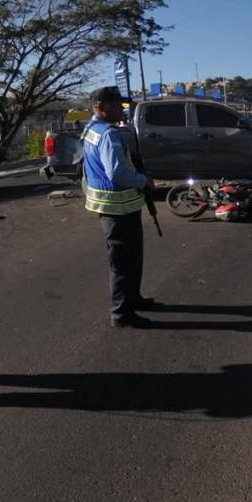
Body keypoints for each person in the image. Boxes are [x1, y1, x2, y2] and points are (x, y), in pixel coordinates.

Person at [82, 86, 158, 328]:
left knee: (132, 258)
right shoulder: (107, 134)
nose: (121, 110)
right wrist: (143, 181)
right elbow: (116, 173)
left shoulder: (91, 130)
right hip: (118, 209)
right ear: (100, 108)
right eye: (116, 106)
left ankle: (133, 299)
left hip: (117, 207)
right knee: (123, 263)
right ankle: (121, 313)